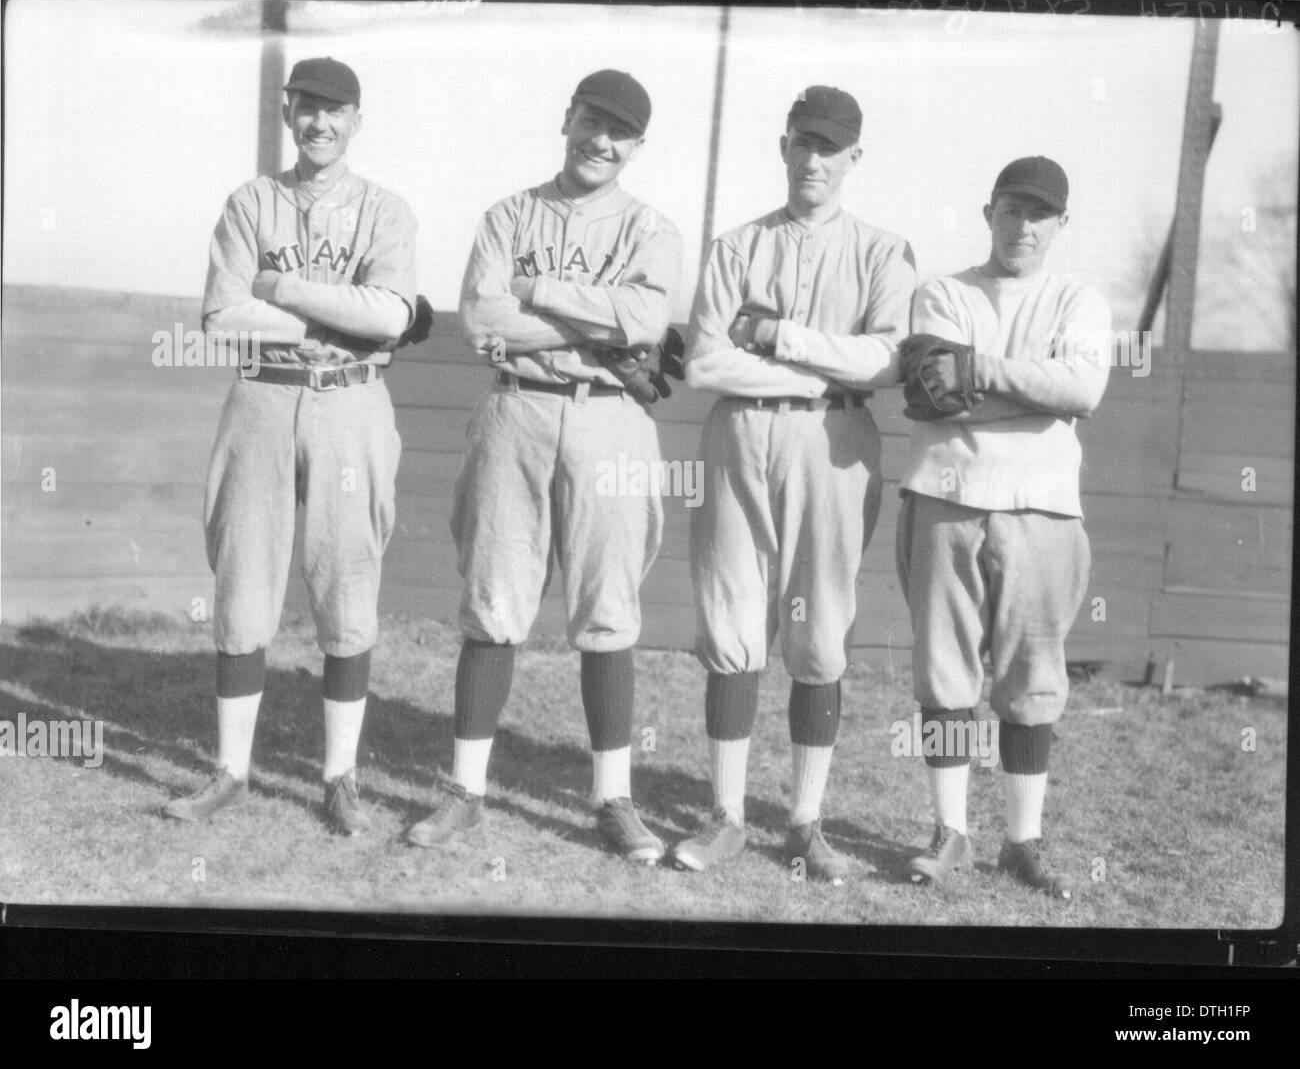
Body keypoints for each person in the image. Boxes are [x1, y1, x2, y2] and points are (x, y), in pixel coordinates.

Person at [404, 71, 684, 864]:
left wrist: (540, 289)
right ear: (567, 118)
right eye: (592, 120)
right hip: (517, 407)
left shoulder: (649, 228)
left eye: (620, 131)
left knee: (607, 606)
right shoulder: (509, 213)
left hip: (611, 422)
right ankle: (464, 789)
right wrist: (590, 331)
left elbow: (645, 319)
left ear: (636, 145)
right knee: (493, 598)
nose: (602, 140)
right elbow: (485, 321)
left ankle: (613, 797)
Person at [162, 57, 417, 835]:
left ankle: (339, 775)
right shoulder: (250, 203)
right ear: (287, 110)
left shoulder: (385, 211)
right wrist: (327, 321)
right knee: (243, 578)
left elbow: (393, 316)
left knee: (346, 580)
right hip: (263, 397)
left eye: (336, 110)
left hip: (351, 402)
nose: (321, 123)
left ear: (357, 119)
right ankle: (230, 770)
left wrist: (284, 291)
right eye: (308, 107)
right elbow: (220, 316)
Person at [672, 86, 915, 881]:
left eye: (831, 147)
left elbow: (885, 360)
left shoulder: (882, 250)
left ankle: (805, 820)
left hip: (834, 440)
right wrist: (821, 361)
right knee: (732, 618)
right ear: (784, 147)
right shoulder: (737, 245)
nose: (815, 158)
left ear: (854, 158)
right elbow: (706, 361)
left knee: (819, 630)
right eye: (803, 142)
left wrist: (780, 336)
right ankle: (728, 815)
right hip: (742, 433)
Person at [896, 155, 1111, 899]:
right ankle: (950, 828)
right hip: (946, 496)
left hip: (1043, 509)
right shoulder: (943, 291)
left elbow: (1082, 388)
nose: (1024, 225)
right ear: (988, 210)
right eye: (1012, 209)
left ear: (1060, 224)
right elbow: (934, 393)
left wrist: (980, 371)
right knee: (944, 671)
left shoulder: (1078, 297)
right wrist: (1034, 390)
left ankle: (1023, 841)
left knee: (1030, 679)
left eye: (1040, 213)